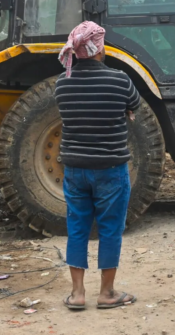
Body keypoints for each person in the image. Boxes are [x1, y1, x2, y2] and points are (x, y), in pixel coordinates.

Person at [55, 21, 139, 311]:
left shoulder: (61, 83)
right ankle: (107, 293)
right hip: (111, 169)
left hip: (75, 170)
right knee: (110, 229)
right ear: (100, 47)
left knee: (77, 228)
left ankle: (77, 294)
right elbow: (133, 105)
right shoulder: (120, 80)